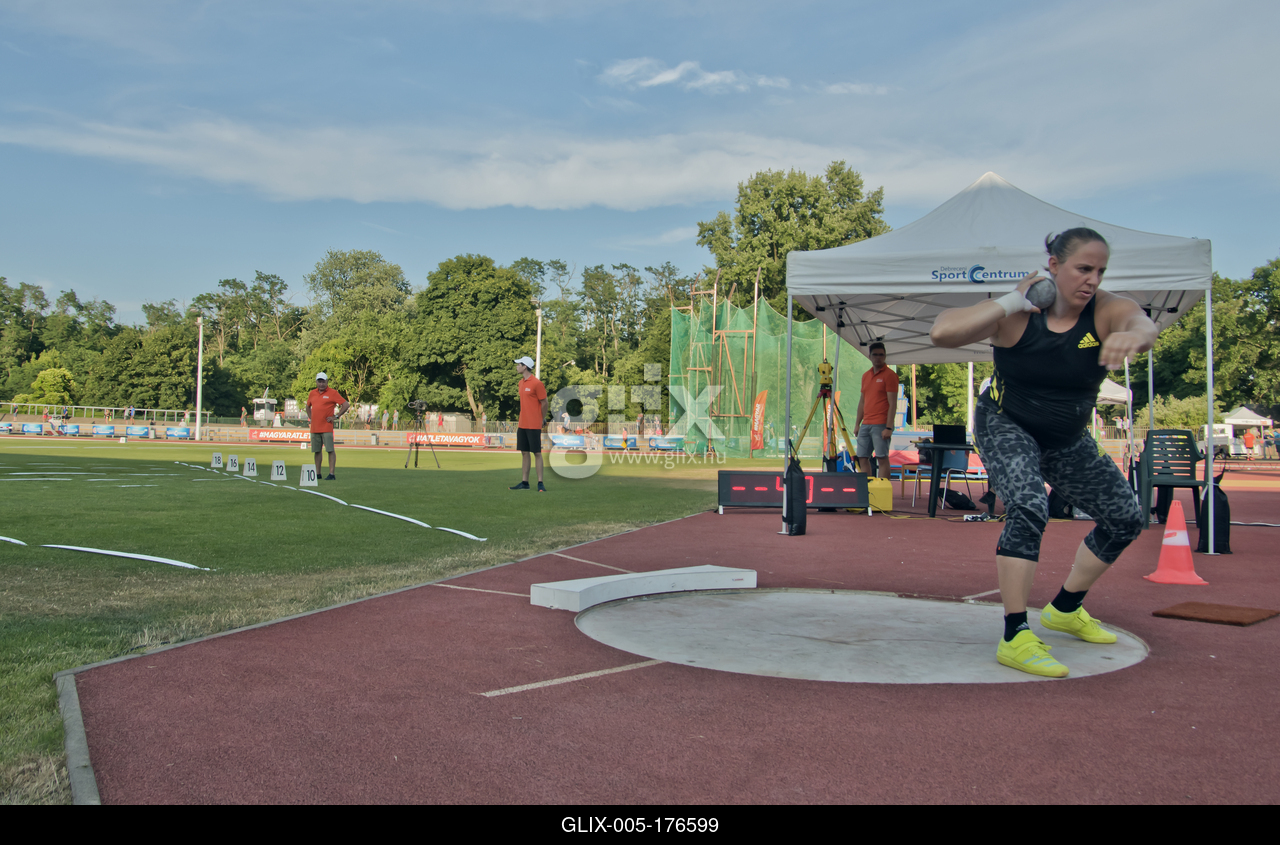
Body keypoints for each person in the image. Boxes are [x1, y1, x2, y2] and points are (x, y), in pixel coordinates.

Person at [930, 228, 1155, 678]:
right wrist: (1011, 301)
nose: (1092, 279)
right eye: (1083, 268)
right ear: (1053, 265)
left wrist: (1136, 336)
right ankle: (1015, 634)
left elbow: (1141, 323)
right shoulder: (1018, 316)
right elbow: (942, 332)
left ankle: (1065, 609)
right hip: (1005, 424)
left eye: (1100, 271)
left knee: (1126, 518)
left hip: (1066, 438)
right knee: (1029, 506)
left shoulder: (1104, 310)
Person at [853, 342, 899, 481]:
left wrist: (889, 427)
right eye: (875, 355)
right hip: (866, 423)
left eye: (881, 355)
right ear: (870, 356)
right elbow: (862, 401)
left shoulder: (890, 375)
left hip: (881, 423)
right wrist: (857, 424)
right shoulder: (866, 375)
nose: (878, 358)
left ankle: (883, 488)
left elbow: (893, 403)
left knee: (881, 457)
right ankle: (867, 486)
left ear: (885, 356)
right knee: (862, 456)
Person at [510, 356, 548, 492]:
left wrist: (542, 418)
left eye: (518, 364)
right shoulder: (520, 383)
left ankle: (540, 483)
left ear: (525, 366)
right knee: (524, 452)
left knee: (537, 453)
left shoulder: (537, 383)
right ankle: (524, 482)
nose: (517, 367)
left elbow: (544, 402)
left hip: (534, 424)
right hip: (522, 423)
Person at [305, 372, 349, 481]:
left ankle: (331, 473)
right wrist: (311, 418)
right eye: (319, 382)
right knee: (317, 451)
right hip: (315, 427)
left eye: (323, 382)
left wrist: (336, 416)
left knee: (330, 450)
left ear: (327, 382)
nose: (321, 384)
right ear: (316, 382)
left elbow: (345, 404)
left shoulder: (332, 393)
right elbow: (307, 406)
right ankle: (317, 473)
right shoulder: (312, 393)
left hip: (326, 427)